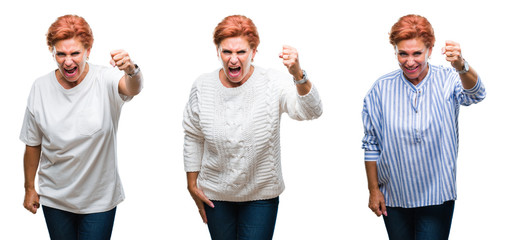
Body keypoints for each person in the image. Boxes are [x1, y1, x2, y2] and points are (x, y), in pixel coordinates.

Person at [183, 15, 322, 240]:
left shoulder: (272, 82)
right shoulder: (202, 86)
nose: (233, 60)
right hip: (215, 194)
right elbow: (193, 135)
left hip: (261, 195)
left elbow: (311, 111)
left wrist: (298, 74)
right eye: (227, 52)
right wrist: (191, 183)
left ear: (254, 52)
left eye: (241, 52)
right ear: (217, 51)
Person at [362, 14, 486, 240]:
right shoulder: (380, 89)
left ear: (430, 50)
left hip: (437, 195)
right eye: (403, 54)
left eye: (417, 53)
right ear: (395, 52)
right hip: (395, 196)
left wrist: (461, 65)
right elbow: (371, 143)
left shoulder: (449, 79)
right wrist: (373, 190)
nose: (409, 62)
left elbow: (476, 94)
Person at [20, 15, 143, 240]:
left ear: (88, 50)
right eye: (61, 54)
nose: (68, 61)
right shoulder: (39, 88)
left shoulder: (105, 79)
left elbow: (132, 88)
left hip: (99, 200)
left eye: (75, 53)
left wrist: (131, 70)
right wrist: (29, 188)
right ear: (52, 51)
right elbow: (33, 144)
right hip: (55, 198)